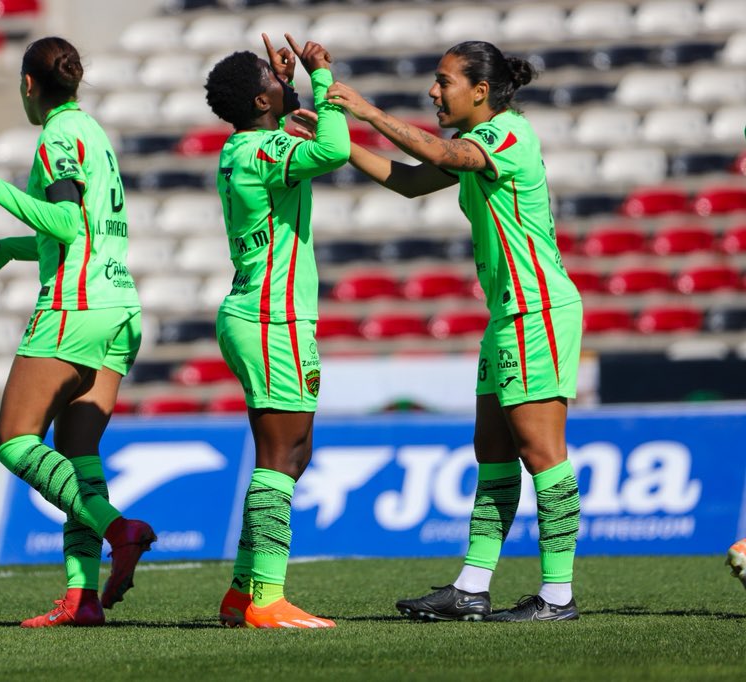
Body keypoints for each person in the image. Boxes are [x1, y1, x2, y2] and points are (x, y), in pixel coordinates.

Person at [326, 41, 583, 622]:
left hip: (537, 311)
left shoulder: (506, 136)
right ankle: (471, 587)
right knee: (492, 451)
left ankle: (558, 596)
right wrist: (340, 144)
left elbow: (446, 154)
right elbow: (412, 182)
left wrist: (367, 112)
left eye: (443, 82)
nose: (433, 92)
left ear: (481, 91)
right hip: (510, 316)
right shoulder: (482, 142)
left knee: (543, 453)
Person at [0, 35, 153, 627]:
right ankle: (81, 598)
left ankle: (120, 529)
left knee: (16, 441)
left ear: (29, 85)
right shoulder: (93, 134)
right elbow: (83, 229)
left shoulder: (56, 137)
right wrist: (10, 249)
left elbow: (65, 223)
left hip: (76, 309)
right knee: (79, 453)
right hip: (120, 310)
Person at [204, 33, 349, 629]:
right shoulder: (263, 151)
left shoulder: (245, 148)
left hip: (260, 313)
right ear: (262, 100)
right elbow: (335, 149)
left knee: (290, 453)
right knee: (281, 454)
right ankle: (267, 597)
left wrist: (288, 90)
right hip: (272, 317)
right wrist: (320, 77)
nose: (280, 75)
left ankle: (243, 591)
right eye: (272, 75)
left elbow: (290, 132)